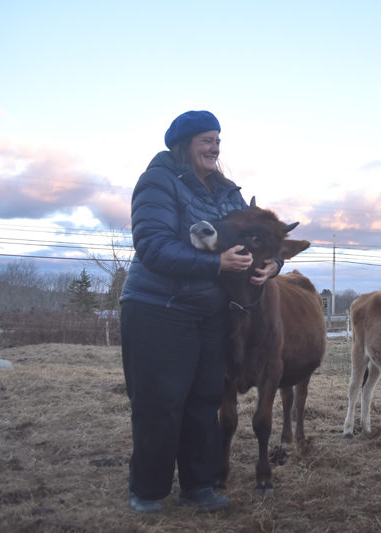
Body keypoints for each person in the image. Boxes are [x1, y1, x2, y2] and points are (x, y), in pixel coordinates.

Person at [119, 110, 281, 513]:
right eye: (206, 140)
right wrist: (215, 265)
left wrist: (274, 263)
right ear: (184, 144)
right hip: (158, 307)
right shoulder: (158, 181)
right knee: (160, 401)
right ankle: (148, 491)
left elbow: (262, 235)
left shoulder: (228, 192)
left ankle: (199, 486)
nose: (214, 148)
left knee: (205, 399)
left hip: (210, 311)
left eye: (218, 140)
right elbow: (152, 246)